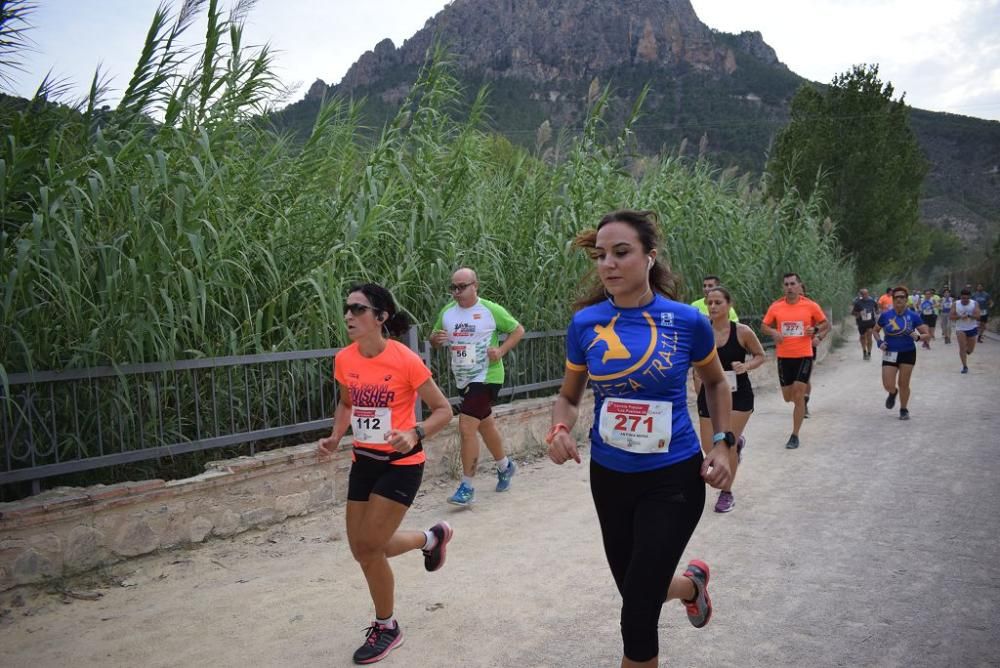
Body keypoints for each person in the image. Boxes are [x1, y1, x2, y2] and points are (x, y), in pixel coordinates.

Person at [546, 209, 734, 667]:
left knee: (636, 616)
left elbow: (715, 383)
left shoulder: (686, 321)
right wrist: (559, 428)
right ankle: (690, 587)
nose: (608, 263)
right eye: (601, 255)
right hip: (610, 477)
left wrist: (724, 442)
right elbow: (569, 397)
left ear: (650, 257)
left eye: (621, 252)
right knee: (637, 589)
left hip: (672, 477)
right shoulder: (585, 324)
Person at [317, 283, 455, 665]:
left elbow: (444, 410)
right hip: (364, 462)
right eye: (346, 308)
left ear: (380, 318)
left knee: (369, 548)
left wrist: (414, 432)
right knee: (361, 549)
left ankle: (387, 626)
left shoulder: (405, 360)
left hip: (401, 465)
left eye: (358, 309)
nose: (348, 316)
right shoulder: (345, 359)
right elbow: (347, 403)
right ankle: (431, 538)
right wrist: (335, 436)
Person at [431, 268, 525, 506]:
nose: (457, 292)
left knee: (466, 427)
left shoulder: (490, 310)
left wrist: (501, 351)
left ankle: (466, 486)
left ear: (476, 286)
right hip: (463, 377)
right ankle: (505, 466)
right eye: (453, 287)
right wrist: (436, 340)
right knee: (485, 424)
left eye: (462, 287)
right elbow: (434, 337)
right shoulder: (448, 312)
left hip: (487, 376)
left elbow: (518, 330)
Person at [696, 286, 765, 513]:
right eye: (710, 302)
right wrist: (698, 386)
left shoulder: (742, 331)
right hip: (709, 395)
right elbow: (695, 365)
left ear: (729, 305)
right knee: (710, 448)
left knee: (727, 445)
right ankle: (737, 442)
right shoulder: (702, 331)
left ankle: (727, 493)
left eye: (718, 302)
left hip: (739, 396)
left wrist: (746, 366)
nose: (713, 306)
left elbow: (760, 355)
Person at [760, 273, 830, 449]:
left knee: (798, 395)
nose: (789, 287)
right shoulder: (776, 307)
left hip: (804, 355)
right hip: (784, 357)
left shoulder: (810, 305)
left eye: (793, 284)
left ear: (800, 285)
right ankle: (800, 404)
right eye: (786, 284)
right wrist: (773, 333)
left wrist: (815, 330)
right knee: (787, 397)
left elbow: (825, 324)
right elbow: (764, 326)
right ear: (783, 287)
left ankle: (794, 435)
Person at [872, 286, 930, 419]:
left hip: (907, 352)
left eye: (902, 297)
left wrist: (919, 337)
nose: (899, 299)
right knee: (888, 384)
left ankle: (904, 409)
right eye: (896, 297)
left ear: (906, 300)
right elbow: (875, 330)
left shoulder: (913, 316)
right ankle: (892, 393)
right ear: (892, 299)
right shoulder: (886, 315)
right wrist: (879, 342)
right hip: (890, 352)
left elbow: (927, 334)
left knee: (904, 383)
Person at [952, 288, 982, 373]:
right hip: (960, 329)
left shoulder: (974, 304)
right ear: (960, 297)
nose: (965, 300)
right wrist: (960, 317)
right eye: (963, 298)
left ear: (969, 297)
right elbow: (951, 317)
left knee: (970, 350)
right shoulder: (956, 304)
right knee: (962, 347)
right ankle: (965, 366)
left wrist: (969, 316)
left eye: (967, 298)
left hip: (972, 328)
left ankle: (967, 351)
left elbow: (978, 316)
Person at [851, 288, 879, 360]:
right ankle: (864, 351)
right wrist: (859, 313)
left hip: (870, 322)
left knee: (869, 335)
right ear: (861, 295)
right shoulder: (858, 303)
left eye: (866, 294)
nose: (865, 295)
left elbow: (877, 309)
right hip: (861, 323)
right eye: (863, 294)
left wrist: (876, 312)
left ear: (868, 294)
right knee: (863, 336)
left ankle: (869, 353)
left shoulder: (872, 301)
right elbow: (853, 313)